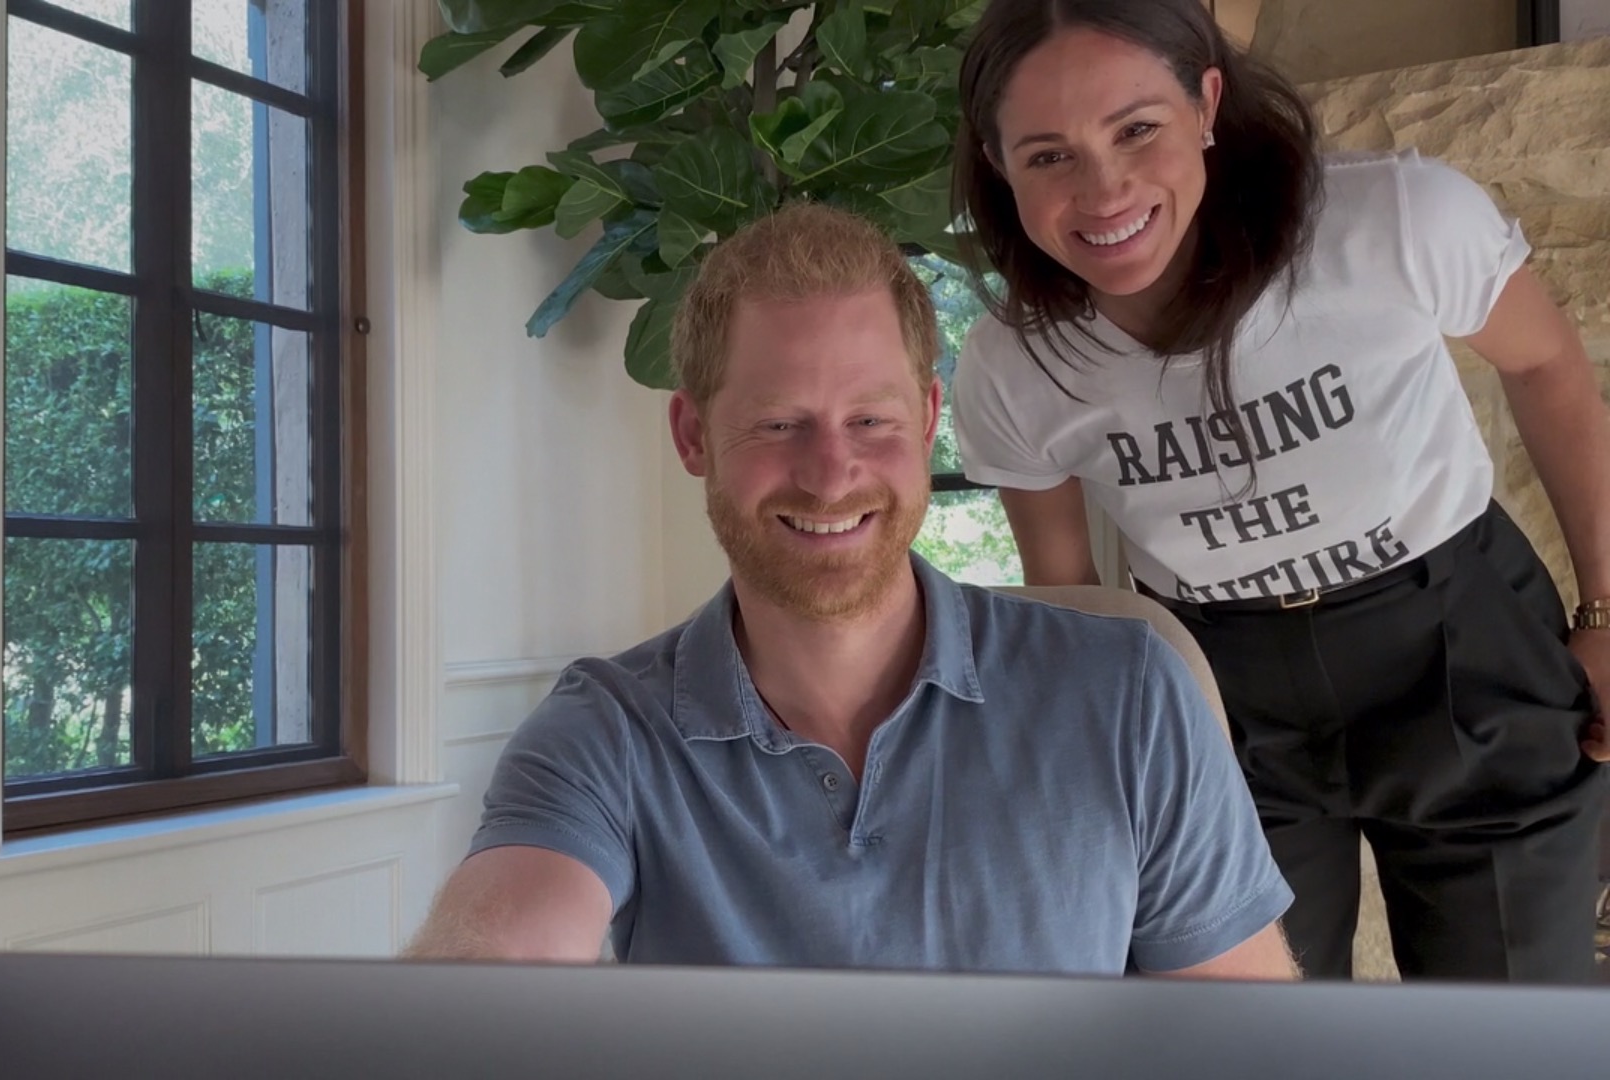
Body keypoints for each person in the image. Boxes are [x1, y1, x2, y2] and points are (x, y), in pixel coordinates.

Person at [404, 201, 1298, 979]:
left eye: (870, 420)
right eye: (778, 423)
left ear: (928, 421)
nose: (831, 476)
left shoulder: (1129, 693)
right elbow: (496, 966)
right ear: (693, 437)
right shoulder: (606, 732)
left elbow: (1248, 1041)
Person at [949, 0, 1610, 984]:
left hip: (1457, 643)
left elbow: (1551, 368)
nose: (1104, 188)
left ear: (1207, 100)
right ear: (999, 165)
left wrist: (1607, 611)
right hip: (1221, 695)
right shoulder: (1015, 367)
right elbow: (1068, 593)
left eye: (1137, 128)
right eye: (1048, 155)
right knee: (1255, 1038)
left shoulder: (1390, 218)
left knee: (1507, 1029)